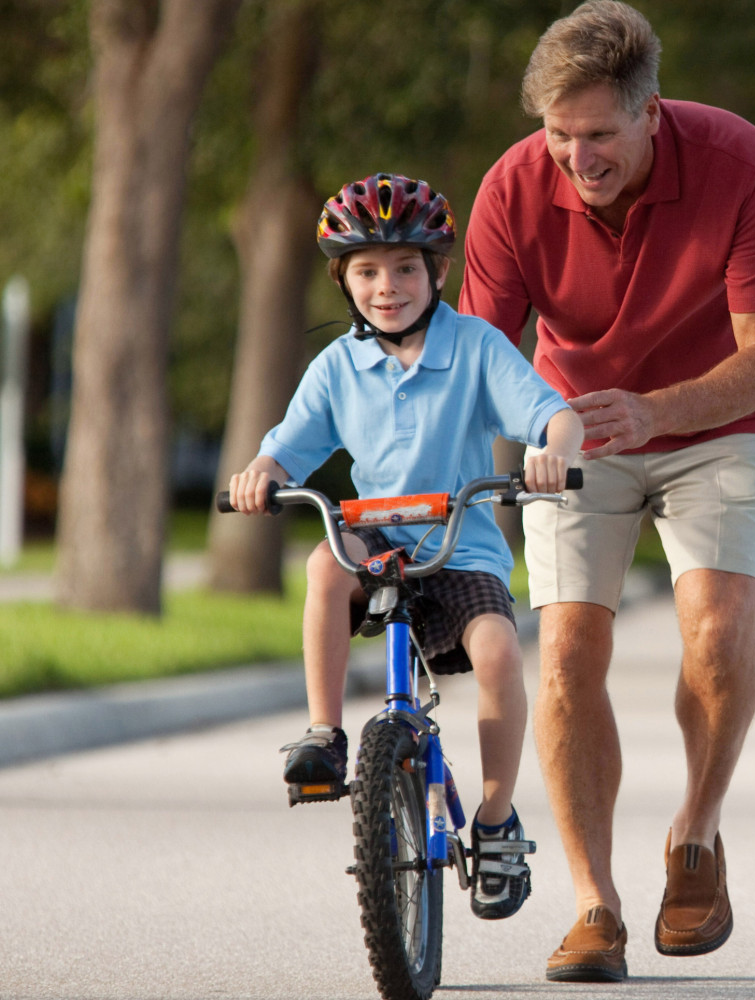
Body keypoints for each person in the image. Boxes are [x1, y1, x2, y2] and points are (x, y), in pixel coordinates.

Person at [457, 2, 755, 982]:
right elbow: (477, 362)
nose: (576, 157)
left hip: (722, 420)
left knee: (716, 629)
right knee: (566, 647)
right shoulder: (515, 188)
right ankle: (594, 902)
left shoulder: (742, 166)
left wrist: (654, 412)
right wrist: (461, 494)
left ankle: (694, 833)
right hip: (573, 426)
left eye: (598, 134)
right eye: (558, 134)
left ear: (653, 112)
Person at [227, 173, 583, 921]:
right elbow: (286, 449)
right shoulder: (337, 368)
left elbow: (552, 413)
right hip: (379, 545)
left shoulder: (476, 347)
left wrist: (551, 449)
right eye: (366, 271)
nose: (386, 287)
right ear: (343, 281)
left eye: (405, 268)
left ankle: (492, 822)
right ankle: (326, 733)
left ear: (438, 272)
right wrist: (262, 474)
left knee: (498, 653)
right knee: (326, 561)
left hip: (460, 548)